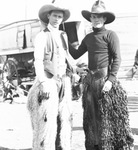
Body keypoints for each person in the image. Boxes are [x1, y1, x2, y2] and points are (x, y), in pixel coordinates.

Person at [68, 0, 134, 149]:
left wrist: (111, 80)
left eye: (99, 17)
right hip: (90, 82)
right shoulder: (89, 38)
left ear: (104, 19)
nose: (96, 19)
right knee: (92, 117)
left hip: (105, 82)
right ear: (90, 19)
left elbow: (117, 58)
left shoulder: (111, 35)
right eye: (93, 17)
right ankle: (96, 146)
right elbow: (76, 53)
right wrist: (65, 39)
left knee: (108, 118)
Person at [27, 3, 76, 150]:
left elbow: (66, 57)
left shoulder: (63, 36)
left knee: (65, 121)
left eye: (59, 17)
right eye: (54, 15)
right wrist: (43, 82)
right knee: (47, 122)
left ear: (62, 19)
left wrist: (74, 70)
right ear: (48, 16)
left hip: (63, 81)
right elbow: (38, 61)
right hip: (49, 80)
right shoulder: (42, 36)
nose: (56, 19)